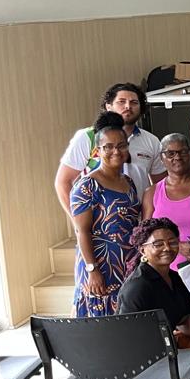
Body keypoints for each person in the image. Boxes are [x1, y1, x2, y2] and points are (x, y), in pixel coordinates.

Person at [117, 218, 190, 379]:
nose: (167, 248)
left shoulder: (174, 278)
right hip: (143, 359)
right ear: (143, 250)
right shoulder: (138, 286)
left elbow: (184, 320)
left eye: (172, 242)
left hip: (167, 349)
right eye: (158, 244)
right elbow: (127, 337)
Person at [70, 115, 142, 317]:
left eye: (121, 146)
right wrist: (92, 270)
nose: (116, 151)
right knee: (102, 321)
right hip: (100, 265)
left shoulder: (128, 181)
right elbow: (82, 231)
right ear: (97, 151)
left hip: (126, 263)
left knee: (125, 316)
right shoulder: (87, 185)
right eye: (108, 147)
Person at [56, 83, 164, 215]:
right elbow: (63, 182)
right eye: (121, 102)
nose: (128, 106)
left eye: (134, 102)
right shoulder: (88, 137)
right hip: (99, 223)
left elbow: (161, 186)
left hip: (139, 220)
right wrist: (78, 220)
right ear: (108, 106)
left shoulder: (151, 141)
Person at [142, 132, 190, 270]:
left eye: (183, 152)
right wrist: (178, 245)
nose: (177, 157)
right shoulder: (152, 192)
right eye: (170, 153)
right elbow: (145, 234)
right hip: (167, 270)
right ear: (161, 158)